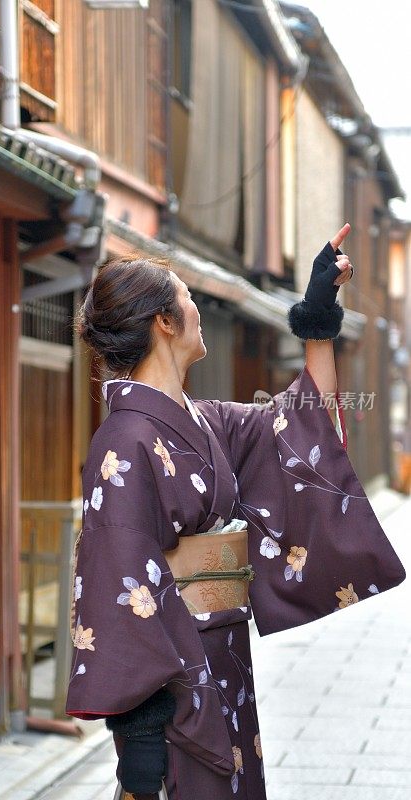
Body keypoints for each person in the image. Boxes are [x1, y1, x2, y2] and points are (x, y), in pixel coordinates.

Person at [66, 224, 405, 800]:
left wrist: (319, 319)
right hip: (171, 687)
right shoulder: (123, 442)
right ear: (164, 322)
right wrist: (140, 730)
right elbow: (115, 578)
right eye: (188, 297)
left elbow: (304, 431)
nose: (198, 308)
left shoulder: (204, 420)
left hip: (224, 663)